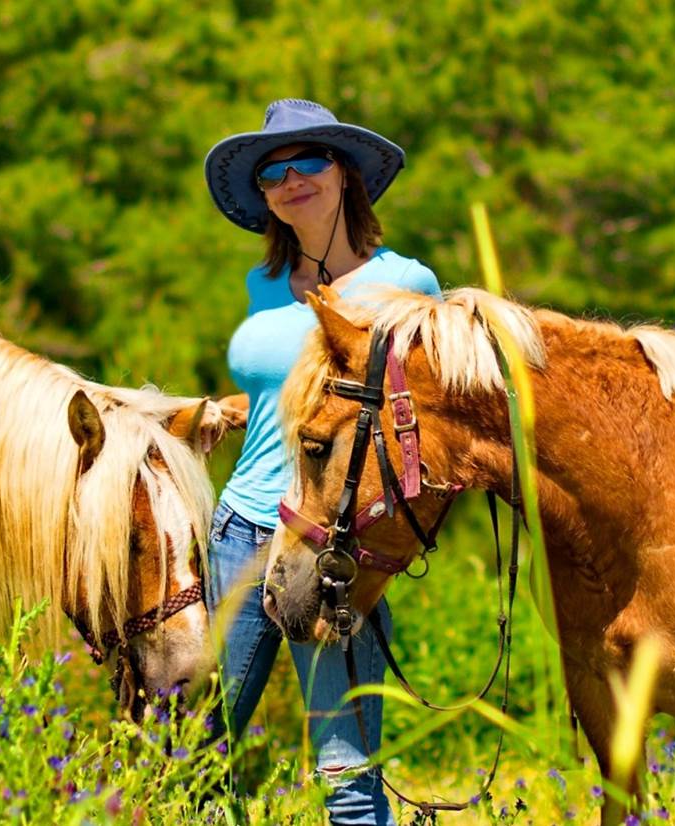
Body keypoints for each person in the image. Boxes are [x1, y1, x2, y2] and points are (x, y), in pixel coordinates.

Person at [201, 99, 440, 825]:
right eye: (273, 171)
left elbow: (428, 410)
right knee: (201, 753)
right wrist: (221, 410)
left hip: (337, 541)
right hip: (243, 530)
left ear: (344, 174)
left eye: (308, 161)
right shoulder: (261, 287)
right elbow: (290, 392)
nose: (289, 179)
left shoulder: (409, 285)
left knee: (346, 773)